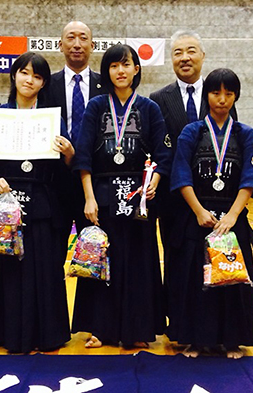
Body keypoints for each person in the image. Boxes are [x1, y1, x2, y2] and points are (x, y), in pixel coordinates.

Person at [0, 52, 73, 353]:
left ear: (43, 83)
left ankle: (43, 334)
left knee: (40, 268)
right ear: (14, 75)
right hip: (3, 202)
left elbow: (65, 170)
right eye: (25, 73)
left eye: (37, 76)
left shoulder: (53, 118)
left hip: (40, 202)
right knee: (0, 270)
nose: (29, 80)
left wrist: (69, 153)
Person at [72, 44, 171, 348]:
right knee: (103, 260)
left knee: (139, 262)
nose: (121, 71)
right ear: (108, 71)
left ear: (136, 69)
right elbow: (84, 156)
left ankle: (138, 329)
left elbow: (164, 154)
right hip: (102, 194)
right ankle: (100, 328)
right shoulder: (96, 106)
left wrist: (153, 181)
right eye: (114, 66)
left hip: (138, 196)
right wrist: (89, 198)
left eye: (126, 65)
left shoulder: (150, 108)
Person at [169, 68, 253, 359]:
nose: (222, 99)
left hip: (232, 218)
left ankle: (232, 341)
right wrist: (198, 211)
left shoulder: (245, 134)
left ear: (236, 97)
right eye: (215, 92)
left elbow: (251, 177)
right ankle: (196, 340)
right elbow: (181, 173)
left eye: (228, 93)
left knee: (233, 279)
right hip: (198, 217)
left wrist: (233, 216)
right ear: (206, 94)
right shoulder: (191, 132)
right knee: (196, 280)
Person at [150, 30, 238, 334]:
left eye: (191, 51)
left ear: (202, 56)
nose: (184, 57)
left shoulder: (219, 94)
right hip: (174, 203)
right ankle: (181, 327)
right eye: (177, 52)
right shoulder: (158, 99)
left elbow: (232, 142)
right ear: (171, 59)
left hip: (216, 202)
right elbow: (158, 150)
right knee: (177, 264)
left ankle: (215, 327)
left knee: (216, 262)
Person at [48, 21, 103, 263]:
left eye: (83, 38)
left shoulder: (107, 86)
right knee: (52, 257)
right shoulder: (46, 85)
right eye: (71, 38)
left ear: (92, 45)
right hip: (54, 183)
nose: (77, 44)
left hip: (95, 185)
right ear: (61, 45)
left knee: (94, 258)